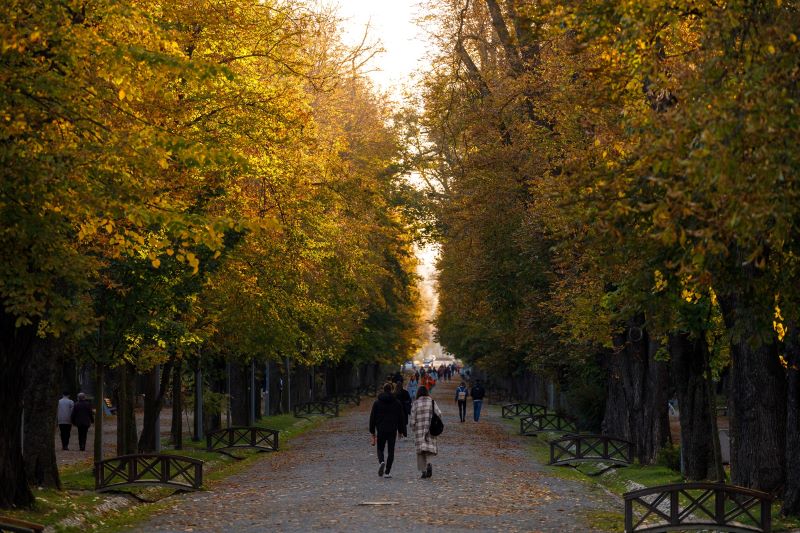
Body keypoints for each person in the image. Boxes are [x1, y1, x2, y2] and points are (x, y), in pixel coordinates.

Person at [369, 383, 407, 478]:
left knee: (380, 448)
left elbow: (372, 417)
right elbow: (401, 417)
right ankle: (387, 472)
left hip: (381, 429)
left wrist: (372, 431)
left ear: (383, 389)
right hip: (392, 429)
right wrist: (401, 430)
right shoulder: (397, 402)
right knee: (391, 451)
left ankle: (381, 461)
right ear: (391, 390)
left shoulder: (377, 403)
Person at [410, 386, 441, 479]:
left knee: (420, 452)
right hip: (430, 429)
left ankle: (423, 471)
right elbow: (439, 413)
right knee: (429, 450)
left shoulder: (415, 403)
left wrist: (413, 427)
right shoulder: (432, 402)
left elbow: (412, 419)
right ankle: (429, 464)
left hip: (419, 430)